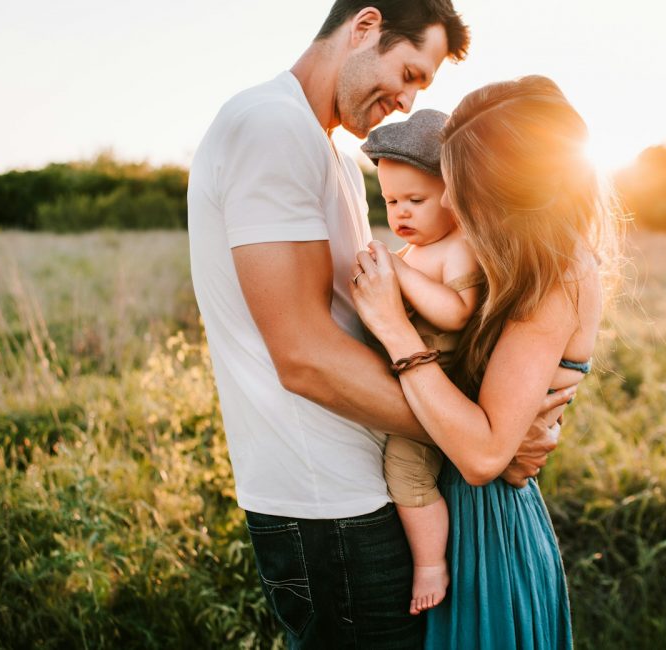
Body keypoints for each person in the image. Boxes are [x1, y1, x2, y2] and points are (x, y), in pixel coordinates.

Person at [188, 2, 577, 646]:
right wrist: (482, 439)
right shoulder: (269, 127)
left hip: (367, 487)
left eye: (421, 86)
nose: (407, 100)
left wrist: (490, 428)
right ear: (365, 26)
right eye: (409, 72)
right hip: (328, 502)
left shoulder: (334, 156)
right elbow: (304, 356)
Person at [350, 75, 618, 649]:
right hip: (462, 512)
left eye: (463, 185)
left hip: (487, 528)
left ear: (512, 189)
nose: (451, 201)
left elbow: (483, 455)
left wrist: (396, 331)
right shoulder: (515, 262)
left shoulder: (554, 275)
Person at [361, 108, 483, 615]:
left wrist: (398, 273)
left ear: (454, 197)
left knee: (405, 472)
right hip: (408, 382)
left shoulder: (459, 247)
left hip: (440, 393)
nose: (401, 214)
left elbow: (456, 313)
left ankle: (431, 563)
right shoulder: (416, 251)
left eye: (415, 200)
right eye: (391, 201)